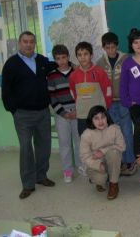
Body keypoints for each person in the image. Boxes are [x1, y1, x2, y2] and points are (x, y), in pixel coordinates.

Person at [1, 31, 56, 199]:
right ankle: (28, 184)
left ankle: (41, 176)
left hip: (43, 113)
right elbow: (6, 91)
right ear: (19, 43)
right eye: (25, 41)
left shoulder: (41, 61)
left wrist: (71, 64)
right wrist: (14, 110)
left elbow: (57, 66)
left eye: (31, 41)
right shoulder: (11, 64)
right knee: (26, 148)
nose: (28, 44)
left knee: (44, 146)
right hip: (23, 115)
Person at [96, 32, 137, 177]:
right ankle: (117, 162)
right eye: (108, 48)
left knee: (126, 132)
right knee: (113, 134)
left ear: (117, 46)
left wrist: (131, 97)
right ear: (103, 47)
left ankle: (129, 161)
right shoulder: (100, 63)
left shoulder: (127, 59)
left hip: (124, 102)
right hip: (108, 103)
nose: (111, 50)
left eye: (113, 47)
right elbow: (98, 84)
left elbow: (134, 78)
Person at [48, 44, 82, 183]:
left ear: (68, 57)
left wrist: (77, 110)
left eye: (63, 57)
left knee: (79, 141)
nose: (61, 61)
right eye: (58, 58)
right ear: (55, 60)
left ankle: (81, 166)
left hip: (77, 112)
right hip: (61, 115)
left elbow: (81, 92)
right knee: (64, 144)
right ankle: (67, 170)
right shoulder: (51, 76)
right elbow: (52, 97)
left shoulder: (76, 72)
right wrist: (63, 113)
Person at [80, 105, 126, 200]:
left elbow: (122, 146)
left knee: (114, 152)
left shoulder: (114, 128)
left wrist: (103, 150)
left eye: (103, 117)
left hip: (110, 158)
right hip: (95, 162)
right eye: (96, 118)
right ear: (91, 120)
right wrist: (98, 164)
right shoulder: (86, 134)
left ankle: (114, 184)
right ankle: (100, 181)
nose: (100, 121)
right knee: (101, 179)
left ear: (107, 117)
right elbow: (84, 157)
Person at [69, 41, 112, 137]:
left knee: (102, 143)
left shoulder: (100, 72)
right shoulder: (73, 75)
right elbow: (73, 93)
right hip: (82, 116)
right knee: (86, 144)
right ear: (76, 57)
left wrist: (104, 109)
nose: (82, 57)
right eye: (79, 55)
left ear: (91, 55)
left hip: (99, 116)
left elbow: (108, 92)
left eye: (85, 54)